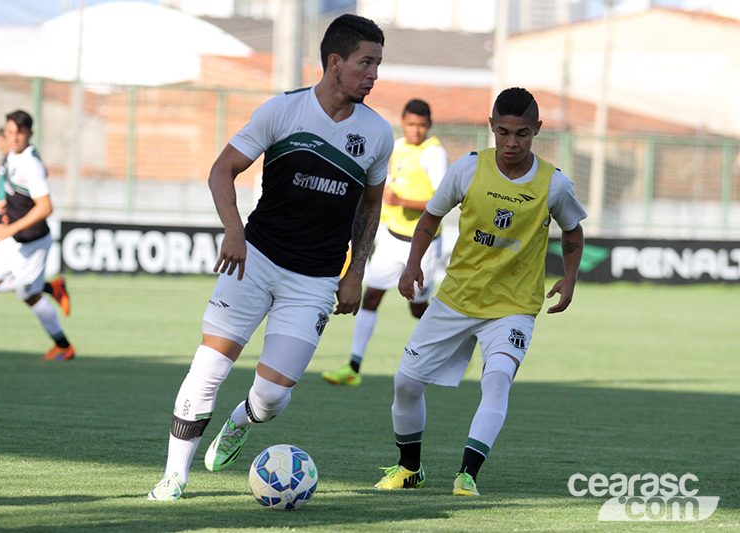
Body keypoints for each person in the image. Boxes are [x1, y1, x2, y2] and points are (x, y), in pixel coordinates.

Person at [147, 14, 393, 501]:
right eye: (366, 63)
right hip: (253, 260)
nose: (373, 75)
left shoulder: (378, 134)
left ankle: (242, 420)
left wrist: (354, 273)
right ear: (334, 62)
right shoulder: (281, 112)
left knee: (273, 396)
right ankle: (174, 476)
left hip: (316, 279)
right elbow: (222, 170)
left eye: (378, 64)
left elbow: (370, 204)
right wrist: (234, 232)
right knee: (207, 370)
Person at [373, 87, 586, 496]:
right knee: (405, 384)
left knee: (498, 380)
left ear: (537, 130)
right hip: (456, 299)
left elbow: (572, 229)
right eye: (503, 132)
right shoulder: (468, 169)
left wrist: (570, 276)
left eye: (522, 133)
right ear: (491, 127)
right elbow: (430, 217)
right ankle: (409, 469)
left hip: (514, 307)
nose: (511, 142)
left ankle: (467, 474)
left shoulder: (553, 184)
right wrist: (413, 263)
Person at [322, 98, 449, 386]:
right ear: (403, 122)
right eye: (411, 124)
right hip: (392, 239)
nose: (415, 130)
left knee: (417, 308)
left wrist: (402, 201)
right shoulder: (399, 146)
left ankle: (453, 349)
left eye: (421, 125)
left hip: (422, 245)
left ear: (429, 125)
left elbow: (443, 201)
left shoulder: (434, 154)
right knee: (371, 296)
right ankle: (353, 366)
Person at [0, 110, 73, 361]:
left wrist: (10, 227)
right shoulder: (13, 154)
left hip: (31, 241)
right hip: (13, 238)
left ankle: (64, 346)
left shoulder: (31, 165)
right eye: (10, 132)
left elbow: (45, 207)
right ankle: (50, 286)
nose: (14, 137)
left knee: (28, 296)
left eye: (19, 132)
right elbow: (10, 184)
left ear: (30, 133)